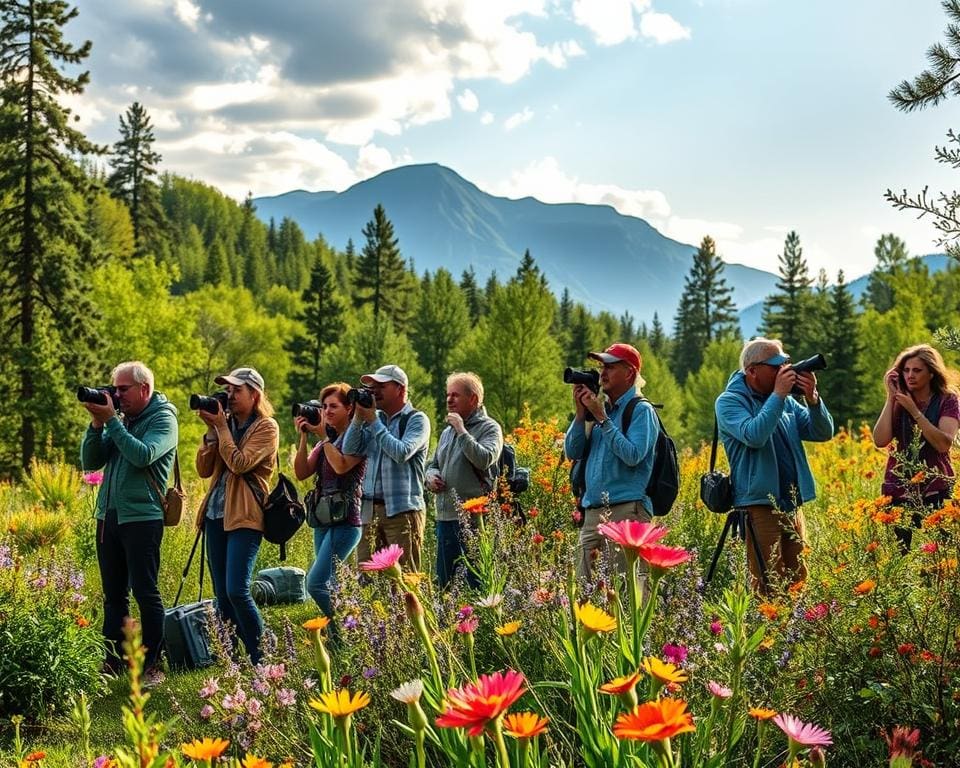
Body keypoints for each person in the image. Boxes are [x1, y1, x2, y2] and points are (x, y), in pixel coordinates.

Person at [80, 360, 178, 687]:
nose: (117, 395)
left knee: (145, 591)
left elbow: (143, 455)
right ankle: (114, 659)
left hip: (143, 516)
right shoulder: (120, 419)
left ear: (144, 389)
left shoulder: (163, 419)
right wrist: (97, 425)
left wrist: (112, 422)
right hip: (109, 516)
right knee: (113, 594)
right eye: (115, 389)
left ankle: (152, 663)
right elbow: (91, 461)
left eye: (123, 389)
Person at [716, 338, 834, 594]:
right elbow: (754, 435)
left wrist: (813, 400)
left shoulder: (785, 401)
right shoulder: (729, 402)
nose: (785, 370)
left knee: (798, 578)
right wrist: (779, 395)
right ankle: (769, 633)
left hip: (791, 503)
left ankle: (796, 633)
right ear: (752, 371)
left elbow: (823, 432)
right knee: (768, 582)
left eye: (787, 363)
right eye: (777, 365)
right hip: (759, 505)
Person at [194, 367, 279, 664]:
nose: (229, 396)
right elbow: (204, 470)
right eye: (227, 390)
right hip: (216, 514)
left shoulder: (267, 427)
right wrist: (211, 431)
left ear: (254, 395)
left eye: (236, 390)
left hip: (245, 515)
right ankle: (231, 660)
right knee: (222, 595)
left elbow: (240, 463)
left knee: (237, 589)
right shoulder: (224, 425)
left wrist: (222, 429)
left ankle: (263, 657)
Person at [564, 343, 658, 581]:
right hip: (592, 514)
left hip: (627, 512)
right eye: (601, 367)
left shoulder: (640, 410)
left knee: (626, 594)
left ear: (629, 373)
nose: (602, 373)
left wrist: (602, 419)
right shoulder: (600, 409)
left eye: (610, 367)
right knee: (582, 592)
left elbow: (633, 455)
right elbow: (573, 451)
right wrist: (580, 414)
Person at [872, 344, 960, 551]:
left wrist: (914, 412)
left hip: (936, 485)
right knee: (900, 551)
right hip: (899, 485)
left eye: (917, 370)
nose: (910, 375)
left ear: (931, 373)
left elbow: (943, 444)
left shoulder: (947, 400)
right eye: (906, 370)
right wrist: (890, 398)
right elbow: (880, 440)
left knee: (943, 551)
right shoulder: (899, 399)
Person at [342, 364, 430, 571]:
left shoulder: (416, 419)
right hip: (369, 511)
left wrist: (372, 420)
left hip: (402, 512)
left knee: (406, 580)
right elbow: (350, 449)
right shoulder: (376, 419)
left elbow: (401, 453)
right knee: (366, 580)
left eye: (381, 386)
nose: (374, 391)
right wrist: (358, 417)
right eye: (371, 387)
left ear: (400, 389)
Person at [293, 382, 365, 625]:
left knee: (316, 583)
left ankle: (351, 627)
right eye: (324, 406)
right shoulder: (325, 441)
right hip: (324, 518)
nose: (327, 411)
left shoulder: (356, 437)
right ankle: (339, 640)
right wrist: (303, 437)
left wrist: (324, 437)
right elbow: (302, 472)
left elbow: (341, 466)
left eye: (334, 406)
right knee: (331, 584)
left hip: (346, 521)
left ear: (349, 408)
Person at [425, 372, 504, 588]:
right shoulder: (446, 433)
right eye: (448, 395)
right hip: (445, 517)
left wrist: (461, 430)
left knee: (476, 582)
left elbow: (484, 459)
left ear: (474, 400)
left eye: (456, 395)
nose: (449, 400)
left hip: (475, 520)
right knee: (445, 585)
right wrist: (430, 477)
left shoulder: (490, 428)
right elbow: (433, 465)